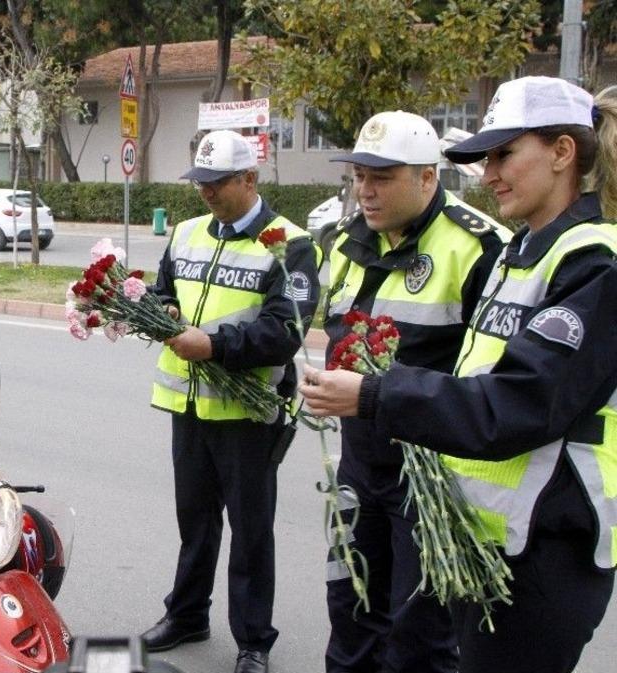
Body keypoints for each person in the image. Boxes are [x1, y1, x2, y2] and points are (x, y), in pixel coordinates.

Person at [300, 76, 617, 673]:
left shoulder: (593, 261)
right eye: (484, 157)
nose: (488, 173)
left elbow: (517, 404)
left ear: (561, 152)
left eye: (504, 154)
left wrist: (374, 393)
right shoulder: (523, 253)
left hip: (547, 548)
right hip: (485, 536)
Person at [320, 110, 509, 673]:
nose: (365, 190)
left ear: (428, 178)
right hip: (358, 469)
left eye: (383, 177)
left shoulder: (480, 247)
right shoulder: (344, 241)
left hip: (430, 479)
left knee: (418, 634)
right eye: (358, 175)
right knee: (350, 610)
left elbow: (492, 383)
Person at [140, 129, 320, 673]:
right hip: (190, 408)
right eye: (200, 181)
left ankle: (253, 641)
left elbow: (285, 330)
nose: (206, 193)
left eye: (217, 182)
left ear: (250, 178)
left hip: (250, 414)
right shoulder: (189, 232)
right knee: (194, 521)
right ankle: (188, 614)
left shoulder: (292, 244)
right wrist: (159, 311)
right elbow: (163, 292)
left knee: (250, 531)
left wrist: (213, 345)